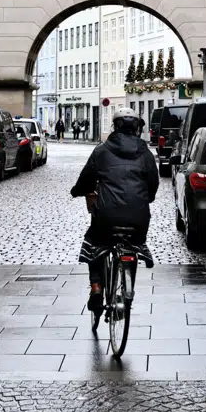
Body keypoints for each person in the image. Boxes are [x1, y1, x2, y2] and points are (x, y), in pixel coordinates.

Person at [70, 107, 159, 314]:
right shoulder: (145, 153)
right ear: (137, 128)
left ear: (114, 126)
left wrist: (77, 191)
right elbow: (153, 184)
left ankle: (96, 288)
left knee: (94, 242)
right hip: (138, 217)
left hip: (107, 216)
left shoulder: (102, 150)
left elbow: (86, 179)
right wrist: (147, 199)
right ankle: (129, 291)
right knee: (133, 244)